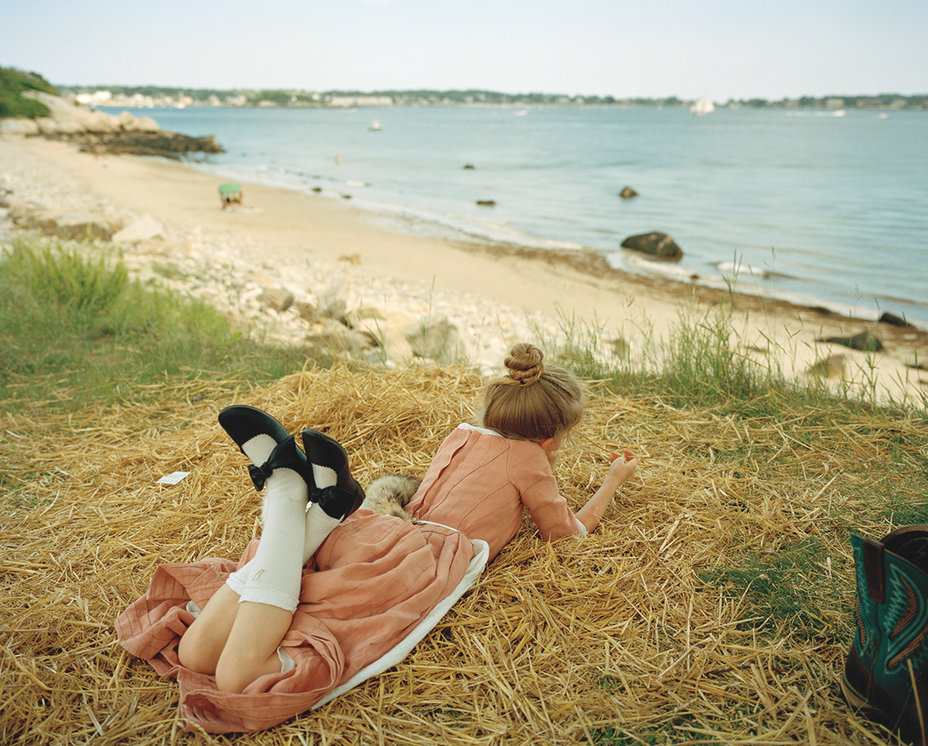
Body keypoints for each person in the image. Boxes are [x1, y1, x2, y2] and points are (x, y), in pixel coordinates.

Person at [115, 343, 640, 733]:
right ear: (550, 436)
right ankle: (288, 496)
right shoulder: (531, 458)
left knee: (197, 654)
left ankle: (310, 510)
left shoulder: (461, 433)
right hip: (412, 557)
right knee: (234, 679)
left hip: (373, 528)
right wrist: (612, 482)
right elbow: (566, 535)